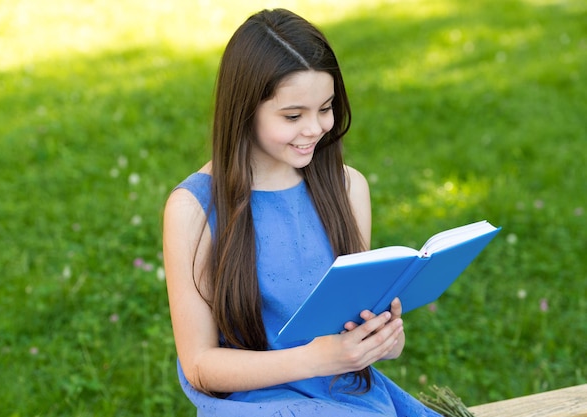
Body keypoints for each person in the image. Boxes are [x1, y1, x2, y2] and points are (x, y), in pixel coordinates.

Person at [162, 8, 441, 417]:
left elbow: (350, 326)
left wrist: (378, 341)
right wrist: (316, 359)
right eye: (293, 116)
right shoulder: (194, 210)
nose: (314, 128)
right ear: (244, 112)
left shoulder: (347, 188)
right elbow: (200, 366)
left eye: (325, 108)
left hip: (346, 397)